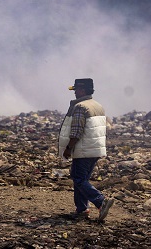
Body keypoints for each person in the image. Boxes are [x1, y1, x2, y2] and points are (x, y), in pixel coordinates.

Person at [58, 78, 114, 221]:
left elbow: (76, 131)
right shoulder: (98, 106)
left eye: (76, 89)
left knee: (78, 178)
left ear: (82, 90)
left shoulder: (80, 107)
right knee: (82, 179)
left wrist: (68, 148)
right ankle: (82, 209)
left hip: (83, 150)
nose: (75, 92)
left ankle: (101, 201)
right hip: (95, 150)